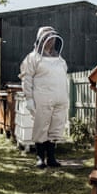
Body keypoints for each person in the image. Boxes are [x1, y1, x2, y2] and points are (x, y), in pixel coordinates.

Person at [19, 26, 68, 169]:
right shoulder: (33, 58)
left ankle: (51, 158)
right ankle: (40, 158)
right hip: (42, 98)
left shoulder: (60, 59)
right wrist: (29, 98)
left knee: (56, 127)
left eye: (52, 38)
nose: (50, 41)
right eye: (47, 38)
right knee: (41, 128)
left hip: (60, 99)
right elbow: (26, 79)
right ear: (40, 40)